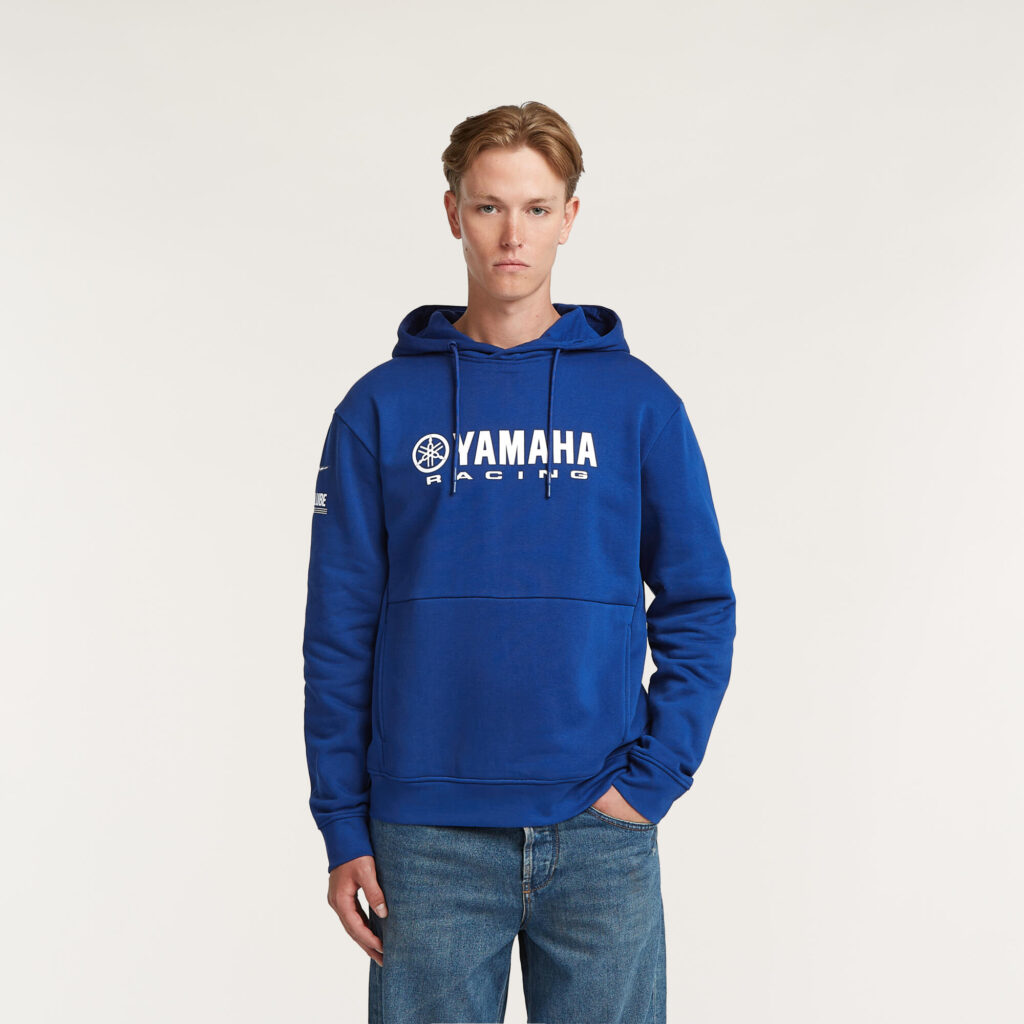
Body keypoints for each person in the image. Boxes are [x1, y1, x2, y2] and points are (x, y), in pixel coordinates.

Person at [302, 100, 737, 1024]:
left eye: (536, 209)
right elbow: (338, 629)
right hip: (425, 837)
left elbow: (700, 600)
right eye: (490, 206)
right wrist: (342, 823)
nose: (512, 234)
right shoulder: (379, 408)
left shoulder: (639, 403)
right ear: (453, 212)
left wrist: (652, 780)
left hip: (599, 831)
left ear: (569, 217)